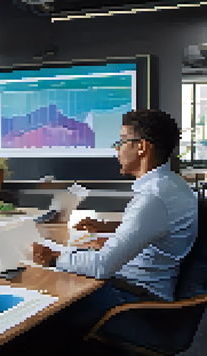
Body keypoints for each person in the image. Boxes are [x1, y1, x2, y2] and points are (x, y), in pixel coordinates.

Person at [31, 109, 198, 344]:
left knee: (42, 305)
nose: (116, 149)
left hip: (135, 301)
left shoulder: (153, 198)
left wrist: (53, 258)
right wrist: (111, 229)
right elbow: (157, 228)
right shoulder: (174, 185)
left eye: (121, 142)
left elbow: (102, 267)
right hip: (142, 289)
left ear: (141, 147)